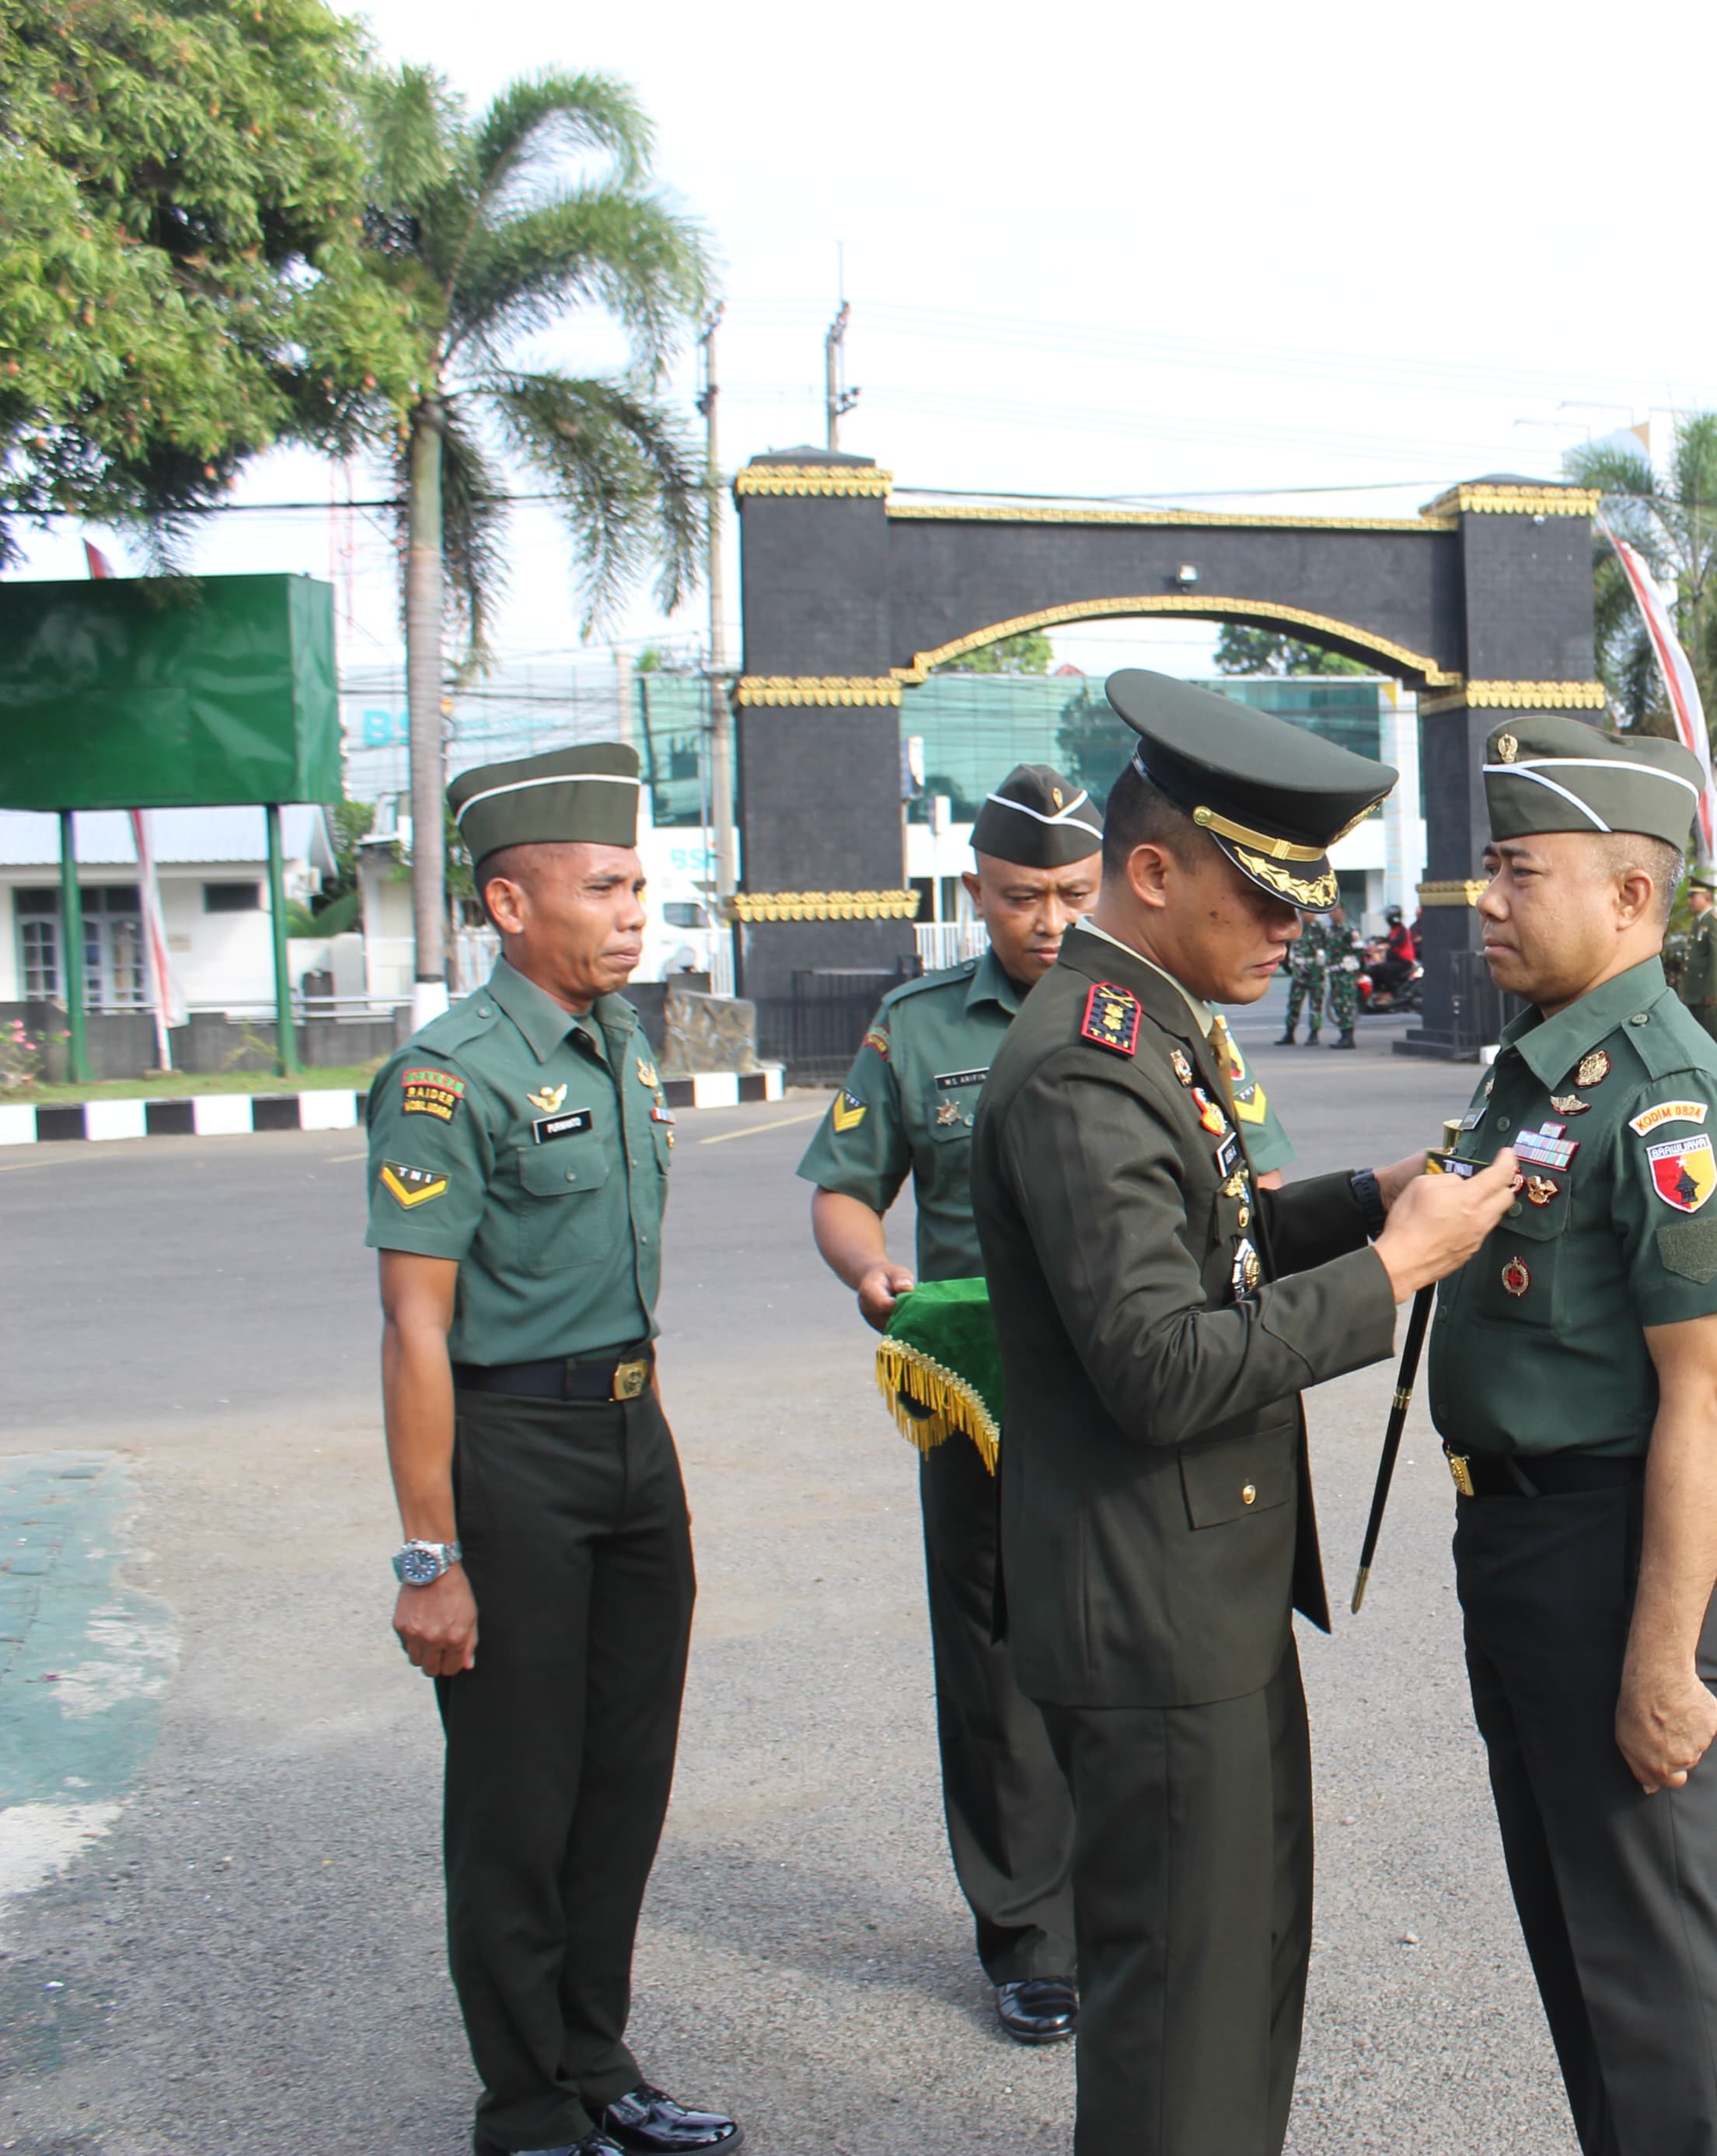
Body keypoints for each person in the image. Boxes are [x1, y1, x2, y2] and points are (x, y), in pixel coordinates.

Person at [971, 670, 1516, 2155]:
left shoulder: (1145, 1021)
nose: (1293, 927)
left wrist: (1366, 1200)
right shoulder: (1088, 1061)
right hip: (1149, 1612)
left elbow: (1206, 1238)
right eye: (1265, 894)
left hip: (1195, 1597)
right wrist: (1400, 1269)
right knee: (1177, 2031)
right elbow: (1159, 1362)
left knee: (1245, 1977)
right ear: (1151, 871)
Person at [365, 743, 742, 2156]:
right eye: (604, 885)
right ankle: (524, 2105)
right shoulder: (447, 1078)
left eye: (640, 882)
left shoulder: (621, 1044)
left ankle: (597, 2057)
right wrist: (430, 1556)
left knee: (622, 1776)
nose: (635, 909)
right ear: (510, 904)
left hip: (636, 1439)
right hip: (511, 1449)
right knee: (520, 1795)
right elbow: (414, 1329)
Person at [1426, 713, 1717, 2156]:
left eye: (1519, 870)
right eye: (1485, 869)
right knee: (1579, 1937)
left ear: (1630, 894)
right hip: (1521, 1536)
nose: (1485, 900)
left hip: (1611, 1546)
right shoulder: (1536, 1065)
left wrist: (1663, 1655)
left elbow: (1709, 1391)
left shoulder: (1662, 1093)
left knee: (1644, 1959)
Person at [794, 764, 1108, 2049]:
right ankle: (1030, 1933)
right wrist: (871, 1269)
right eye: (1022, 894)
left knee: (1133, 1646)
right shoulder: (916, 1028)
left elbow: (1241, 1177)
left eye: (1072, 893)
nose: (1047, 918)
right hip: (977, 1388)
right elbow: (844, 1183)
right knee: (995, 1656)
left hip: (1125, 1382)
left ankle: (1135, 1906)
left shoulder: (1148, 1010)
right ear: (974, 888)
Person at [1668, 879, 1717, 1050]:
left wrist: (1712, 992)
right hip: (1696, 994)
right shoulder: (1699, 923)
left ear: (1707, 897)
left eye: (1694, 896)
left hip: (1707, 995)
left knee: (1713, 1044)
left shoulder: (1714, 923)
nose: (1690, 901)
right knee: (1699, 1045)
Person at [1278, 907, 1329, 1044]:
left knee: (1316, 1003)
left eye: (1311, 912)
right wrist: (1288, 966)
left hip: (1316, 972)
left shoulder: (1321, 929)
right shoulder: (1296, 929)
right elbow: (1288, 947)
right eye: (1306, 912)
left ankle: (1314, 1033)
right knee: (1294, 1002)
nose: (1308, 915)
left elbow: (1329, 947)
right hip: (1300, 971)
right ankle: (1290, 1033)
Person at [1322, 903, 1364, 1048]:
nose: (1333, 913)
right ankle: (1343, 1035)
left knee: (1346, 1004)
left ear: (1343, 912)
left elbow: (1359, 951)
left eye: (1336, 910)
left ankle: (1348, 1038)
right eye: (1331, 911)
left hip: (1346, 973)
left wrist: (1357, 968)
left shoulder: (1350, 930)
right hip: (1334, 972)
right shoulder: (1328, 931)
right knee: (1338, 1004)